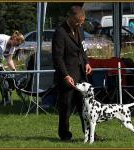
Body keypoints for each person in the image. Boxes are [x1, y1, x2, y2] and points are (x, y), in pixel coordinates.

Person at [52, 6, 96, 142]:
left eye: (82, 22)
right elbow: (57, 57)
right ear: (70, 17)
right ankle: (65, 135)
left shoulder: (80, 30)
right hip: (67, 76)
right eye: (78, 21)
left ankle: (89, 134)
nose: (80, 24)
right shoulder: (60, 32)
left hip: (81, 75)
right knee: (66, 107)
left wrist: (87, 62)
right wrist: (65, 75)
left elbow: (82, 49)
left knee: (85, 106)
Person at [0, 31, 25, 105]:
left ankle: (5, 101)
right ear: (15, 38)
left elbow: (9, 60)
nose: (17, 46)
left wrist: (14, 70)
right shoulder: (1, 38)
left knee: (4, 81)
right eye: (18, 44)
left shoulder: (12, 48)